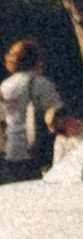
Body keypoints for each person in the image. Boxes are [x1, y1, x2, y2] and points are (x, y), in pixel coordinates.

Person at [0, 42, 64, 183]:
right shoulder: (40, 83)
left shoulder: (5, 86)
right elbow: (57, 113)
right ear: (37, 60)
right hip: (36, 151)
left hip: (10, 151)